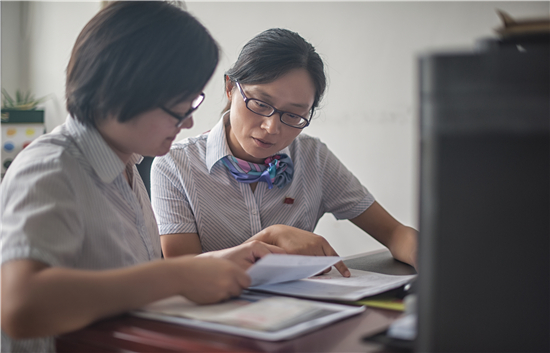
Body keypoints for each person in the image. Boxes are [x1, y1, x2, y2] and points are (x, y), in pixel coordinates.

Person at [0, 3, 284, 352]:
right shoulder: (51, 167)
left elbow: (126, 278)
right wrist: (177, 276)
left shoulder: (126, 167)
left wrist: (212, 263)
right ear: (120, 91)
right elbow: (20, 306)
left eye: (191, 104)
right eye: (178, 108)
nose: (189, 123)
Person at [150, 28, 418, 276]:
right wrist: (270, 237)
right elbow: (183, 272)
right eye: (259, 103)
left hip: (301, 313)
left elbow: (394, 233)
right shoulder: (175, 165)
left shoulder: (313, 159)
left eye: (293, 115)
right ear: (230, 88)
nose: (271, 127)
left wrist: (431, 256)